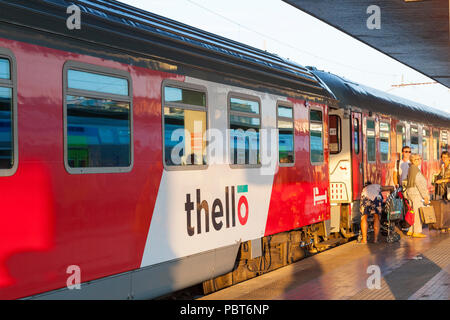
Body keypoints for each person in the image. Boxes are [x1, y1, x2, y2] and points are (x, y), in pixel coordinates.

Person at [405, 154, 430, 238]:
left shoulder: (411, 168)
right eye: (416, 159)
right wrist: (425, 196)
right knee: (418, 213)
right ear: (412, 160)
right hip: (416, 194)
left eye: (420, 159)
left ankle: (411, 230)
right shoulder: (415, 170)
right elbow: (420, 184)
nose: (419, 160)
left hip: (410, 193)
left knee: (413, 213)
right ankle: (417, 231)